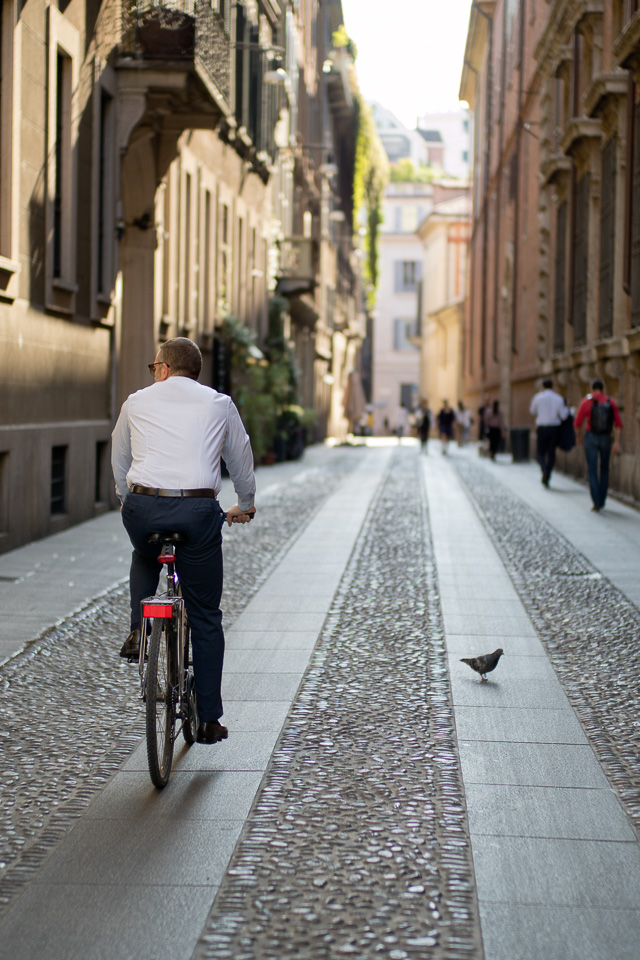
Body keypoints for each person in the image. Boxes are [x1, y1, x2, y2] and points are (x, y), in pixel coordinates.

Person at [111, 337, 256, 745]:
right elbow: (239, 459)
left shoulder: (135, 402)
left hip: (144, 507)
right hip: (196, 512)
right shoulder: (218, 404)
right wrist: (245, 503)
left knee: (144, 551)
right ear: (194, 371)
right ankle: (209, 719)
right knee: (206, 616)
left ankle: (140, 628)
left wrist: (128, 502)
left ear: (162, 368)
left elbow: (120, 461)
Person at [574, 378, 622, 512]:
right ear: (603, 389)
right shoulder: (610, 402)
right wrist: (617, 442)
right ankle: (602, 499)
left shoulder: (586, 401)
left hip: (591, 437)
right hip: (606, 438)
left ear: (591, 389)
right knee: (605, 468)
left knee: (592, 469)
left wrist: (578, 436)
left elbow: (577, 423)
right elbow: (618, 424)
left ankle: (596, 502)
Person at [529, 378, 568, 487]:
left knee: (540, 453)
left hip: (542, 428)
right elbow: (563, 416)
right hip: (554, 428)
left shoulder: (538, 397)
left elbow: (532, 411)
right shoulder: (558, 398)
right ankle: (548, 472)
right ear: (553, 386)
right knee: (551, 453)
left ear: (543, 386)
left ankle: (544, 470)